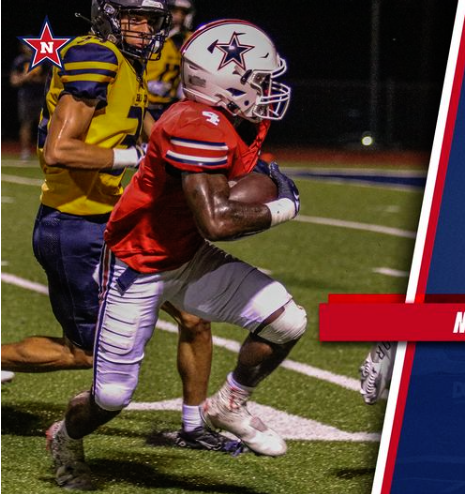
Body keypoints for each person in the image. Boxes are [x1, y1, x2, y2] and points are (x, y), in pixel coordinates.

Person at [47, 19, 304, 489]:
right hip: (137, 265)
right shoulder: (193, 125)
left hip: (187, 255)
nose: (268, 89)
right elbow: (217, 222)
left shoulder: (235, 119)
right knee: (110, 397)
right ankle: (64, 438)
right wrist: (283, 206)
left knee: (287, 322)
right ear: (226, 82)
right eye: (259, 79)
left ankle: (228, 404)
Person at [0, 0, 229, 453]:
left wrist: (207, 157)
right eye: (134, 18)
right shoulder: (96, 55)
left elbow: (152, 134)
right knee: (83, 351)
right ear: (108, 16)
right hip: (74, 226)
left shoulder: (127, 63)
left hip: (115, 222)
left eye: (152, 20)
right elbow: (60, 151)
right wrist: (134, 157)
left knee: (194, 317)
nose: (145, 29)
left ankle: (194, 426)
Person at [144, 0, 195, 120]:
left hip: (167, 104)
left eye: (182, 13)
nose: (178, 17)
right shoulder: (149, 34)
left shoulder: (188, 39)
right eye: (175, 12)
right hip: (143, 100)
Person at [9, 44, 48, 160]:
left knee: (45, 124)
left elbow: (49, 79)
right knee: (26, 124)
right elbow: (14, 81)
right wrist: (25, 77)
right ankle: (25, 151)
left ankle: (45, 150)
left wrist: (35, 79)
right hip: (26, 97)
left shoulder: (43, 60)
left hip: (42, 96)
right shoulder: (19, 61)